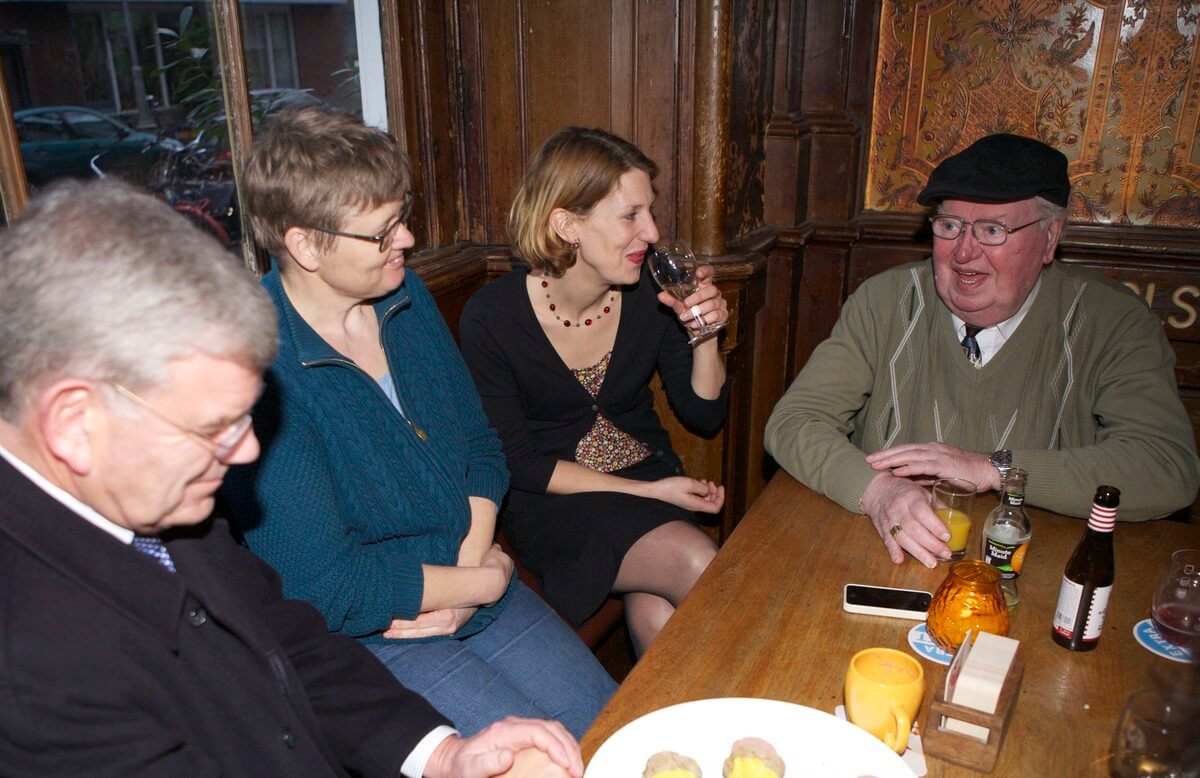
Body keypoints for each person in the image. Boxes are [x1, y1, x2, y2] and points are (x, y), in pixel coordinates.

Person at [0, 179, 582, 778]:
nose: (247, 449)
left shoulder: (155, 499)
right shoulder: (30, 660)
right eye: (214, 426)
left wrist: (444, 754)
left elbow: (288, 644)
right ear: (73, 422)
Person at [220, 106, 615, 738]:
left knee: (612, 727)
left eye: (401, 216)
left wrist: (475, 573)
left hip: (473, 573)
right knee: (538, 761)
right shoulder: (258, 369)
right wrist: (476, 581)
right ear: (303, 245)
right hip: (373, 632)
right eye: (381, 232)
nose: (404, 240)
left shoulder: (406, 296)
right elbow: (326, 586)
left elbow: (481, 446)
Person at [766, 133, 1200, 568]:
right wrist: (877, 491)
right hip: (885, 557)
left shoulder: (1112, 322)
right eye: (950, 225)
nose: (964, 252)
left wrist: (997, 469)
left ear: (1050, 238)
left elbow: (1167, 467)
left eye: (993, 230)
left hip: (1030, 571)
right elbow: (792, 422)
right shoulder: (885, 301)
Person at [459, 126, 728, 656]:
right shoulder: (493, 317)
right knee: (695, 560)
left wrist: (704, 335)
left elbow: (703, 411)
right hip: (557, 503)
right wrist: (654, 494)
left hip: (648, 477)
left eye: (650, 212)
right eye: (630, 215)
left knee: (661, 612)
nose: (651, 233)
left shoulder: (652, 293)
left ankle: (682, 732)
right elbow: (519, 463)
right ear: (567, 224)